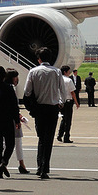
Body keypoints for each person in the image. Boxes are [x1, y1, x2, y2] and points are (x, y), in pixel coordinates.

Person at [24, 47, 63, 179]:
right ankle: (44, 167)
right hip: (52, 108)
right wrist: (60, 103)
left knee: (41, 137)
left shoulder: (33, 72)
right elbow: (62, 90)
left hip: (39, 108)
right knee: (49, 138)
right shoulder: (56, 72)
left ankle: (40, 165)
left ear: (39, 59)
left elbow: (27, 91)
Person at [0, 66, 20, 178]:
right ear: (4, 76)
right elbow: (14, 106)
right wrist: (17, 120)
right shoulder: (9, 88)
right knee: (10, 143)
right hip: (7, 119)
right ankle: (4, 161)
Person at [57, 65, 79, 143]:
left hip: (60, 102)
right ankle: (66, 137)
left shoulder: (58, 80)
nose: (70, 72)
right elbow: (72, 92)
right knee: (68, 121)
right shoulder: (68, 80)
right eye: (69, 71)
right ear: (65, 72)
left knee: (64, 119)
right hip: (68, 102)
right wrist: (76, 102)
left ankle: (60, 135)